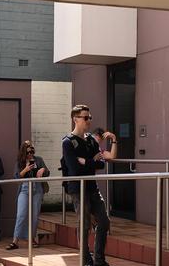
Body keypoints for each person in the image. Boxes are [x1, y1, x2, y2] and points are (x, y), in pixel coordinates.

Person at [62, 104, 118, 266]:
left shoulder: (91, 141)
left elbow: (101, 164)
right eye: (85, 118)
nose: (88, 121)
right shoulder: (68, 142)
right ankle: (86, 260)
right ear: (75, 119)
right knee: (84, 225)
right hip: (78, 188)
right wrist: (90, 162)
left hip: (92, 187)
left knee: (104, 221)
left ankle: (99, 260)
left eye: (90, 117)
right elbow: (74, 167)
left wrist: (85, 161)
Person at [6, 141, 49, 250]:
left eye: (32, 151)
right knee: (21, 214)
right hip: (25, 188)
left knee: (34, 215)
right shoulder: (20, 162)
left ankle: (32, 238)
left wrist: (43, 169)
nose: (30, 154)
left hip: (37, 188)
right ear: (24, 152)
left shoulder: (38, 159)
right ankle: (15, 240)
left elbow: (47, 172)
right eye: (28, 152)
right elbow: (16, 177)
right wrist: (25, 169)